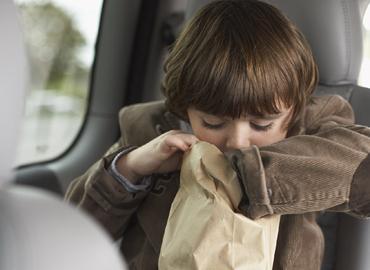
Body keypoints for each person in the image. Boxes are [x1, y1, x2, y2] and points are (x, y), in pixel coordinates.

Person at [65, 0, 370, 269]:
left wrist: (251, 176)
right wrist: (130, 168)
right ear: (184, 109)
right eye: (212, 123)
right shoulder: (149, 131)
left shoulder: (314, 126)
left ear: (293, 111)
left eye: (261, 125)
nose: (237, 141)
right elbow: (72, 232)